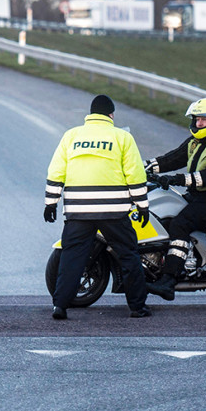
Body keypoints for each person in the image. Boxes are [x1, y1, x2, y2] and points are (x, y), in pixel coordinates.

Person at [44, 94, 151, 320]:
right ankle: (138, 308)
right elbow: (135, 174)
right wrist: (142, 205)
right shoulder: (122, 137)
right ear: (111, 115)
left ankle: (60, 306)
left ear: (90, 114)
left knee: (71, 258)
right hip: (114, 211)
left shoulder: (71, 136)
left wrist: (51, 202)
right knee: (128, 256)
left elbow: (56, 171)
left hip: (78, 211)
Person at [144, 97, 206, 300]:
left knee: (180, 224)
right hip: (197, 197)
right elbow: (172, 159)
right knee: (167, 214)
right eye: (196, 119)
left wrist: (176, 179)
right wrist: (142, 166)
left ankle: (169, 280)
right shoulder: (196, 142)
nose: (199, 123)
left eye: (204, 119)